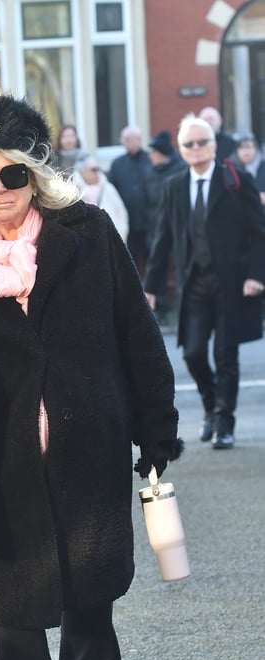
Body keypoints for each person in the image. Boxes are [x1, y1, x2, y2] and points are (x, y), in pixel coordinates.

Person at [0, 91, 182, 660]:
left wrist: (155, 429)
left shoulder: (90, 232)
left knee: (89, 597)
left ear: (35, 175)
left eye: (12, 174)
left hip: (88, 447)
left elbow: (137, 333)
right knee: (12, 614)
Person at [144, 115, 265, 450]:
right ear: (181, 150)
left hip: (232, 284)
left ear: (214, 145)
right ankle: (212, 406)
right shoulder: (174, 186)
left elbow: (259, 233)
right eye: (189, 144)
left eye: (202, 142)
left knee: (226, 355)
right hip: (193, 284)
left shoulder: (236, 181)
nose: (196, 149)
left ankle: (225, 422)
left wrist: (257, 275)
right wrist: (150, 288)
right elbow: (162, 240)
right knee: (194, 353)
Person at [145, 130, 187, 325]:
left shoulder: (179, 170)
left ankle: (183, 307)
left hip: (179, 228)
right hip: (156, 228)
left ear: (161, 153)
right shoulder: (150, 171)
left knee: (181, 266)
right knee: (157, 267)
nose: (150, 156)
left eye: (153, 152)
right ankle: (160, 309)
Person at [108, 125, 153, 275]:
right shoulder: (117, 164)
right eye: (125, 140)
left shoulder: (151, 160)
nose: (128, 142)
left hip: (149, 222)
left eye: (131, 139)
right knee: (128, 263)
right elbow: (112, 192)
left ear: (139, 140)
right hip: (128, 222)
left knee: (152, 261)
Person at [74, 155, 128, 241]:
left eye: (98, 169)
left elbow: (121, 212)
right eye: (93, 169)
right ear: (82, 172)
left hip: (111, 240)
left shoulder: (108, 188)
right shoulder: (73, 191)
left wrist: (120, 235)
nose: (97, 172)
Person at [232, 133, 265, 204]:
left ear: (256, 149)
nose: (246, 152)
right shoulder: (231, 169)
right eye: (242, 148)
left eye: (249, 147)